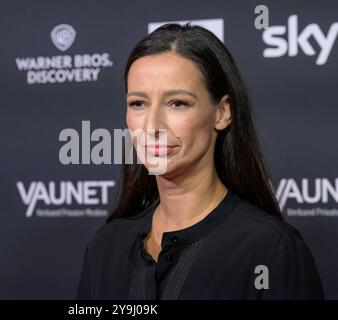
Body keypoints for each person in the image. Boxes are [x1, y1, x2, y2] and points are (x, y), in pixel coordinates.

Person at [76, 23, 324, 299]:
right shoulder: (105, 248)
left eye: (178, 103)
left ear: (222, 113)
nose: (152, 125)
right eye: (138, 103)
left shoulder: (272, 250)